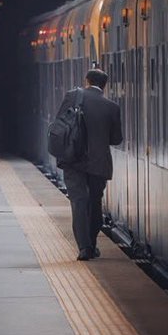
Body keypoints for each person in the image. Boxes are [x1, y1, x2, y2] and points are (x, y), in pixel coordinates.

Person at [56, 67, 123, 260]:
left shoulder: (72, 97)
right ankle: (92, 244)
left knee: (78, 202)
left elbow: (60, 126)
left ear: (86, 81)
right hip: (98, 162)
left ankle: (84, 248)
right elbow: (116, 139)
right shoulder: (112, 107)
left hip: (72, 160)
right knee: (94, 203)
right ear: (104, 85)